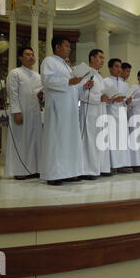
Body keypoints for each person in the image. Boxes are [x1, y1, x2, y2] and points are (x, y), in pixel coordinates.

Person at [40, 36, 86, 186]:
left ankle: (69, 172)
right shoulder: (49, 61)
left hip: (70, 109)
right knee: (56, 140)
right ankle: (53, 174)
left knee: (69, 140)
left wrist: (84, 86)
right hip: (57, 108)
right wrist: (68, 82)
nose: (69, 49)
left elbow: (73, 87)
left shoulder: (66, 66)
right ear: (57, 47)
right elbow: (47, 81)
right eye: (66, 46)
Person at [5, 47, 43, 180]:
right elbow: (13, 94)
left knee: (35, 140)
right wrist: (16, 111)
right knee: (21, 140)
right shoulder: (15, 73)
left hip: (35, 113)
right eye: (27, 54)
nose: (31, 57)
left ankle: (35, 169)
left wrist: (41, 95)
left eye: (33, 55)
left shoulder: (38, 76)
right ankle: (19, 170)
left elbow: (39, 94)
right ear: (20, 58)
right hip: (21, 111)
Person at [79, 49, 112, 180]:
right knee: (90, 140)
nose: (102, 60)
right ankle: (88, 169)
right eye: (100, 57)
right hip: (89, 110)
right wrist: (99, 98)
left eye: (104, 58)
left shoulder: (98, 76)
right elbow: (81, 92)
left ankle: (100, 167)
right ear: (92, 58)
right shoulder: (85, 72)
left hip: (100, 109)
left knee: (100, 139)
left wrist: (106, 97)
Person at [103, 58, 133, 174]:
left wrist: (127, 101)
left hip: (122, 113)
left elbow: (125, 100)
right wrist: (114, 99)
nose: (119, 69)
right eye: (116, 66)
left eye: (120, 67)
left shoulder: (125, 84)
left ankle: (122, 164)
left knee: (122, 139)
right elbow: (103, 98)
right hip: (110, 112)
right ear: (110, 68)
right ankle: (112, 164)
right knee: (111, 139)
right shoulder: (105, 81)